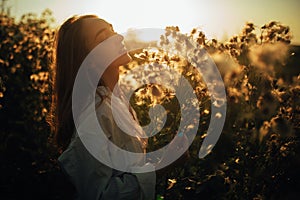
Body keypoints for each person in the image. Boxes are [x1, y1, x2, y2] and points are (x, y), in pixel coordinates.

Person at [51, 14, 158, 200]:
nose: (119, 37)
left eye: (113, 31)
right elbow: (98, 195)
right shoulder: (94, 115)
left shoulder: (116, 101)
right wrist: (160, 169)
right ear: (88, 60)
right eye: (103, 38)